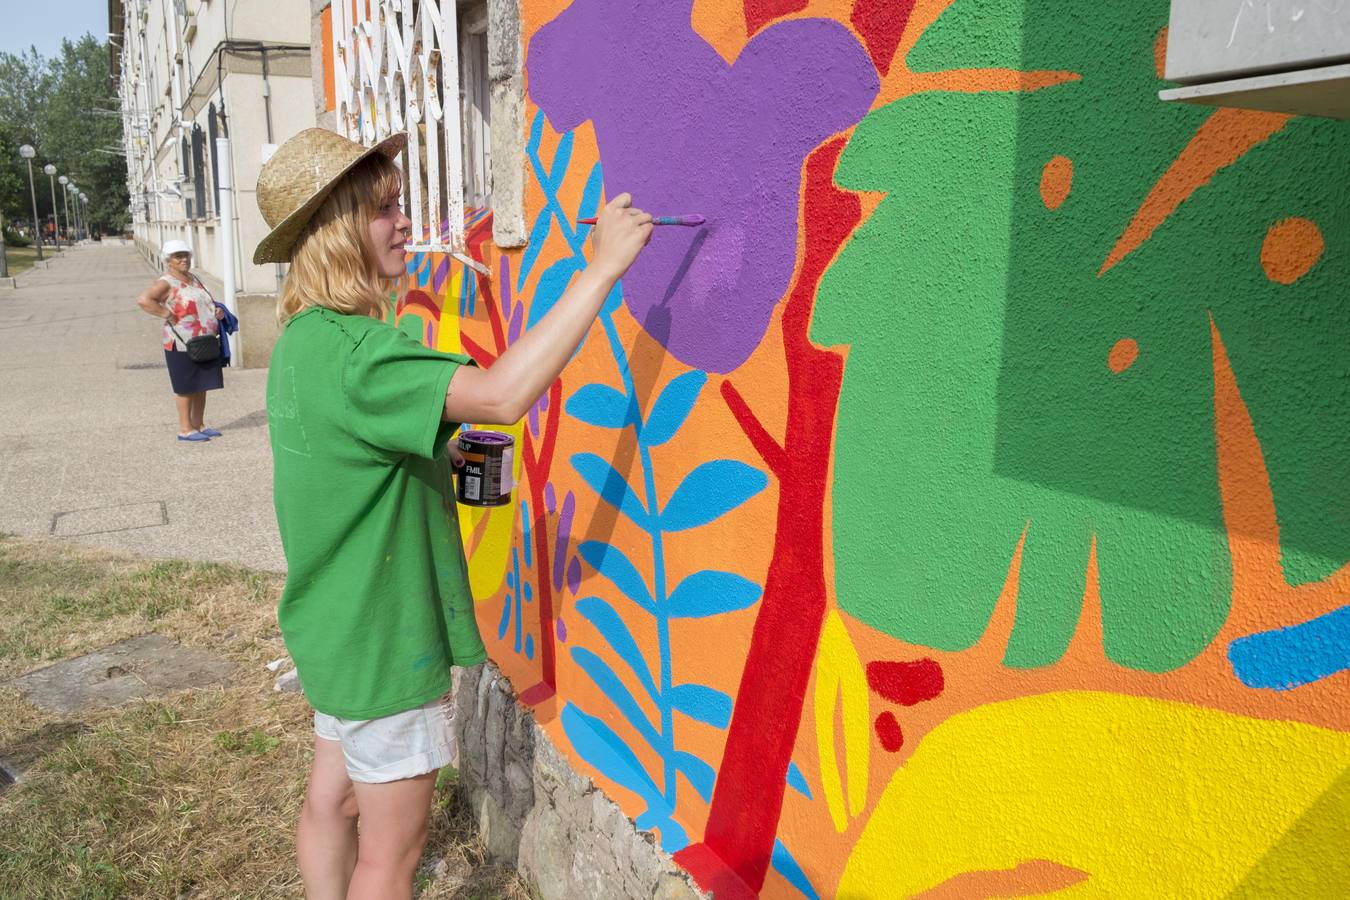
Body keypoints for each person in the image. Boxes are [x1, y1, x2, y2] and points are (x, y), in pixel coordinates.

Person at [253, 127, 652, 899]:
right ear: (336, 230)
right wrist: (601, 270)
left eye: (400, 205)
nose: (404, 222)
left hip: (331, 628)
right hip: (384, 640)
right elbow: (502, 397)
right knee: (392, 860)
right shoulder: (365, 356)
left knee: (329, 801)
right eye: (384, 210)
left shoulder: (301, 341)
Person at [135, 240, 227, 442]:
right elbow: (144, 300)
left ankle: (198, 424)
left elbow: (202, 301)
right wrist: (165, 313)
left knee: (202, 384)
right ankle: (185, 429)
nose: (184, 259)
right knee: (186, 386)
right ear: (168, 260)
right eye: (178, 256)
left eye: (186, 255)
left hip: (204, 340)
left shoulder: (194, 278)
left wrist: (216, 311)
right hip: (181, 343)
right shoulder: (166, 282)